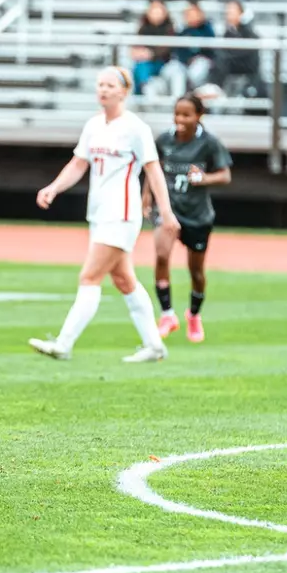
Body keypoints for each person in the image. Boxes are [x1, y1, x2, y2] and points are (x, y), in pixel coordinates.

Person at [29, 66, 179, 364]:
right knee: (124, 280)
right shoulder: (94, 125)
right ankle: (155, 346)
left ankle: (64, 343)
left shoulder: (136, 128)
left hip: (121, 213)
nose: (104, 89)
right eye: (100, 84)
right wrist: (54, 188)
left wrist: (166, 211)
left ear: (124, 91)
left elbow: (153, 169)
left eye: (110, 85)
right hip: (99, 213)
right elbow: (78, 164)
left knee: (89, 276)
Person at [145, 94, 231, 344]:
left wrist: (205, 178)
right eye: (177, 114)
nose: (180, 119)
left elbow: (225, 175)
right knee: (161, 255)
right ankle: (167, 314)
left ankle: (193, 314)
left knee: (196, 272)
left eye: (186, 115)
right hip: (169, 210)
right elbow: (154, 169)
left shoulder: (209, 143)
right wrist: (146, 197)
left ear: (198, 116)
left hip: (197, 215)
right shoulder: (164, 140)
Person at [210, 0, 265, 99]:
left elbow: (248, 54)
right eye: (228, 12)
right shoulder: (227, 32)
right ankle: (215, 88)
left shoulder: (248, 32)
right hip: (230, 67)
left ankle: (216, 86)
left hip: (246, 67)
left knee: (222, 60)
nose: (229, 15)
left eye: (232, 11)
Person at [131, 0, 177, 94]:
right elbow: (137, 45)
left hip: (164, 63)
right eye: (153, 9)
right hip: (146, 62)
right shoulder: (143, 27)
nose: (156, 13)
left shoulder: (170, 28)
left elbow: (167, 48)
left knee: (143, 66)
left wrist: (151, 54)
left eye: (159, 10)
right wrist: (136, 52)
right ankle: (140, 93)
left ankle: (143, 91)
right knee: (139, 66)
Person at [174, 2, 216, 90]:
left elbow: (210, 50)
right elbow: (179, 51)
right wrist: (187, 59)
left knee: (198, 68)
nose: (192, 17)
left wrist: (197, 57)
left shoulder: (207, 30)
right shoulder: (183, 32)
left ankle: (193, 93)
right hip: (184, 63)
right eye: (189, 14)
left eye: (195, 14)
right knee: (176, 71)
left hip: (203, 61)